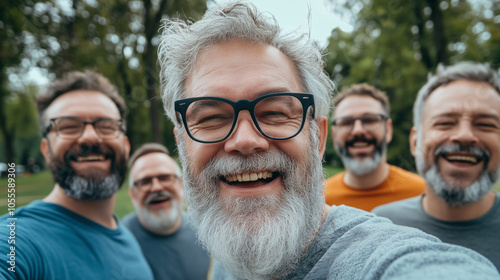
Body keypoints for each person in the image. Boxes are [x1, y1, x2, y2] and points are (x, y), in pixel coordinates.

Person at [157, 2, 499, 279]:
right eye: (211, 118)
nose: (244, 140)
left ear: (318, 138)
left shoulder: (385, 259)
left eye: (275, 113)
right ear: (182, 145)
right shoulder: (229, 253)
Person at [0, 70, 153, 279]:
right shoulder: (13, 241)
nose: (90, 137)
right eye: (69, 126)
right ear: (46, 150)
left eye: (106, 126)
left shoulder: (128, 240)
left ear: (126, 147)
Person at [373, 61, 500, 271]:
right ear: (415, 142)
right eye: (445, 122)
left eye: (485, 124)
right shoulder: (382, 226)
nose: (465, 135)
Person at [325, 83, 425, 211]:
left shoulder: (423, 193)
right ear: (334, 135)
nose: (358, 130)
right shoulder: (319, 199)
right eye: (346, 122)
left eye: (370, 120)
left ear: (388, 129)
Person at [122, 143, 211, 279]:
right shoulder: (120, 243)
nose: (156, 187)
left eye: (165, 178)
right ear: (132, 194)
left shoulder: (205, 233)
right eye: (145, 181)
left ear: (181, 184)